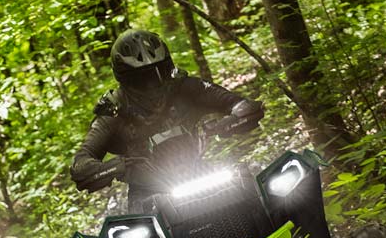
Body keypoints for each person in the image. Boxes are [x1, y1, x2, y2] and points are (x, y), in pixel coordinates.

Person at [70, 29, 264, 212]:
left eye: (158, 73)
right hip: (146, 196)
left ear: (168, 66)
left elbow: (245, 106)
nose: (151, 84)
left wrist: (225, 124)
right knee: (134, 235)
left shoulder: (187, 88)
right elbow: (80, 165)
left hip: (202, 174)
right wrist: (115, 166)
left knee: (258, 200)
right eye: (141, 78)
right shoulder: (114, 110)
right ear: (125, 79)